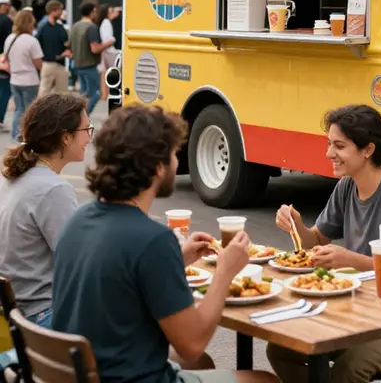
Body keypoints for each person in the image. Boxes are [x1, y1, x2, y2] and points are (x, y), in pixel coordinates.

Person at [51, 104, 275, 383]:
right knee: (264, 380)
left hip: (80, 372)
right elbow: (191, 343)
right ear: (158, 168)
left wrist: (177, 259)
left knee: (200, 364)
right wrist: (225, 272)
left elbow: (120, 276)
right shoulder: (153, 240)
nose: (177, 162)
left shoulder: (79, 220)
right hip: (129, 378)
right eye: (173, 154)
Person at [269, 104, 381, 383]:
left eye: (339, 146)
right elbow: (316, 240)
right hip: (359, 316)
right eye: (329, 144)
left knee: (349, 369)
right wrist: (296, 224)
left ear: (367, 150)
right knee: (282, 349)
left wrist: (350, 260)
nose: (329, 153)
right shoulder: (347, 186)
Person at [0, 94, 92, 371]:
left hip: (14, 316)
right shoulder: (53, 189)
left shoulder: (13, 176)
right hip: (41, 319)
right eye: (86, 130)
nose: (89, 138)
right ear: (65, 137)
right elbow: (81, 265)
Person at [3, 10, 43, 141]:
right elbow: (38, 63)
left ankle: (16, 135)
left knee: (18, 109)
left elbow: (6, 58)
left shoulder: (10, 38)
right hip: (30, 79)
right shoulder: (32, 41)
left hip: (14, 78)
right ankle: (27, 136)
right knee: (30, 111)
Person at [69, 2, 114, 114]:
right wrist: (109, 43)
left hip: (78, 64)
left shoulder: (75, 26)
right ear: (91, 12)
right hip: (89, 65)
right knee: (96, 93)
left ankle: (79, 115)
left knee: (84, 94)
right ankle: (83, 116)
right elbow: (95, 48)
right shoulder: (91, 27)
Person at [37, 0, 72, 94]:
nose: (62, 12)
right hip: (48, 63)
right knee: (44, 94)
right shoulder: (43, 27)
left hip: (60, 65)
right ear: (54, 10)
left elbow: (66, 44)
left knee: (62, 94)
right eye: (60, 10)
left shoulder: (59, 27)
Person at [97, 4, 120, 101]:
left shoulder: (105, 22)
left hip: (108, 51)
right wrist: (113, 40)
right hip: (110, 52)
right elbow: (108, 39)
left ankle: (104, 94)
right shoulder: (107, 23)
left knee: (105, 73)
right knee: (114, 73)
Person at [0, 0, 13, 132]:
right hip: (3, 60)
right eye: (6, 5)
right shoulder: (7, 21)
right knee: (4, 90)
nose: (8, 7)